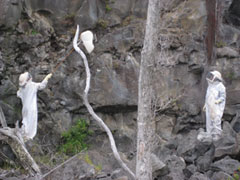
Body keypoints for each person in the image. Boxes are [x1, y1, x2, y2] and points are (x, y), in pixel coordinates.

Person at [17, 72, 52, 141]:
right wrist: (46, 78)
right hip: (31, 108)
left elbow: (18, 94)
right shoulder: (32, 85)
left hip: (24, 109)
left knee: (25, 120)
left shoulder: (22, 89)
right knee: (31, 122)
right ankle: (27, 136)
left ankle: (23, 134)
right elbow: (42, 86)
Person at [198, 70, 226, 142]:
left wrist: (218, 101)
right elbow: (207, 96)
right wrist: (205, 104)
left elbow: (223, 97)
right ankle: (209, 134)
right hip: (209, 106)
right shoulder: (210, 86)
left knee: (216, 120)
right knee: (209, 120)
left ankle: (217, 134)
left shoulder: (221, 86)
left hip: (216, 106)